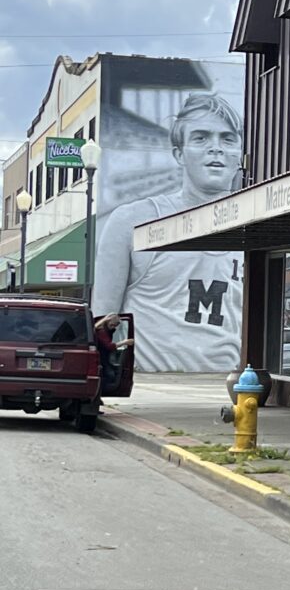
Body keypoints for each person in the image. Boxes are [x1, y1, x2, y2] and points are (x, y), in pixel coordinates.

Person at [91, 93, 244, 373]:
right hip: (150, 382)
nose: (216, 148)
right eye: (200, 138)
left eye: (228, 138)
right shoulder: (133, 220)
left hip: (232, 382)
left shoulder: (256, 226)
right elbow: (102, 320)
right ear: (179, 154)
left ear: (240, 154)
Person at [94, 313, 134, 392]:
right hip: (100, 357)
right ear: (108, 321)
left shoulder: (105, 329)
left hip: (102, 356)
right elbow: (109, 346)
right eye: (112, 325)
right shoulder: (101, 331)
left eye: (115, 326)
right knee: (109, 375)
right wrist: (124, 342)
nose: (113, 327)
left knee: (109, 374)